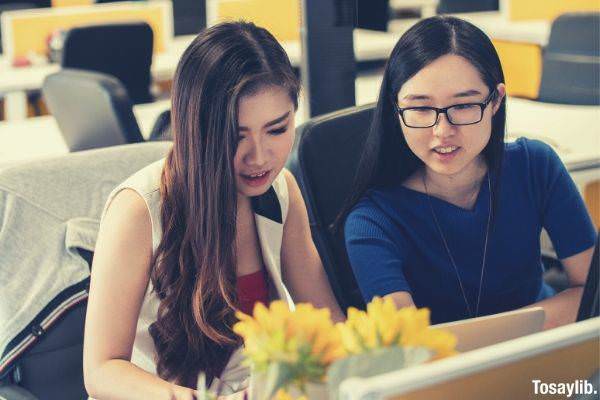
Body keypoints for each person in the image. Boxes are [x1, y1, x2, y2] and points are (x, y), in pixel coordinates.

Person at [83, 21, 343, 400]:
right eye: (236, 136)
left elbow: (327, 322)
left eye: (276, 129)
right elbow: (102, 370)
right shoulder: (139, 209)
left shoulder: (281, 191)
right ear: (197, 130)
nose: (259, 157)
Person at [342, 16, 596, 329]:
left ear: (495, 101)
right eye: (421, 108)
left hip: (545, 351)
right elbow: (408, 346)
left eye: (463, 106)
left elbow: (591, 292)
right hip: (449, 373)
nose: (442, 131)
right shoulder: (372, 222)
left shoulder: (535, 166)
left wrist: (493, 338)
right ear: (396, 110)